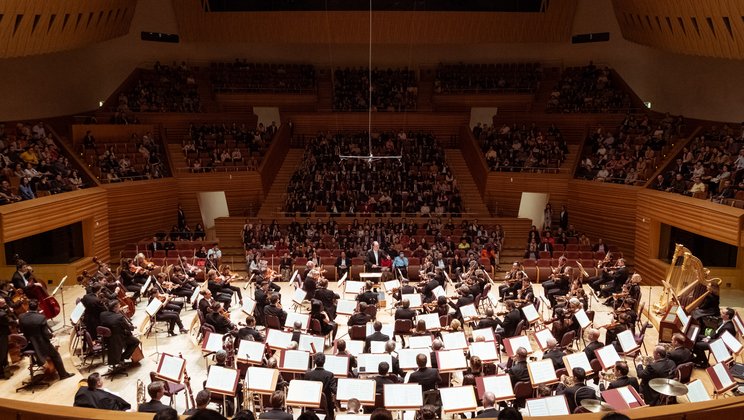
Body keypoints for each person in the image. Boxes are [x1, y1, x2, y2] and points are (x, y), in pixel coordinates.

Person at [18, 299, 74, 380]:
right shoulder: (41, 318)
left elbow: (22, 330)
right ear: (37, 307)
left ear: (28, 307)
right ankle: (63, 375)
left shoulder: (21, 317)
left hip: (28, 345)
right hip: (41, 344)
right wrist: (52, 336)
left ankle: (41, 363)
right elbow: (46, 334)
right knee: (56, 355)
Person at [100, 300, 141, 368]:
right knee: (136, 341)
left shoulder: (102, 314)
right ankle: (122, 358)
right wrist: (133, 327)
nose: (120, 308)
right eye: (119, 306)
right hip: (118, 339)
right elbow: (128, 328)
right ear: (115, 308)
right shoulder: (119, 317)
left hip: (107, 339)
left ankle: (119, 359)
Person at [304, 353, 336, 420]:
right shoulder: (329, 375)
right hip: (326, 405)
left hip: (310, 403)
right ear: (324, 361)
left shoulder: (308, 374)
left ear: (314, 362)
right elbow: (334, 390)